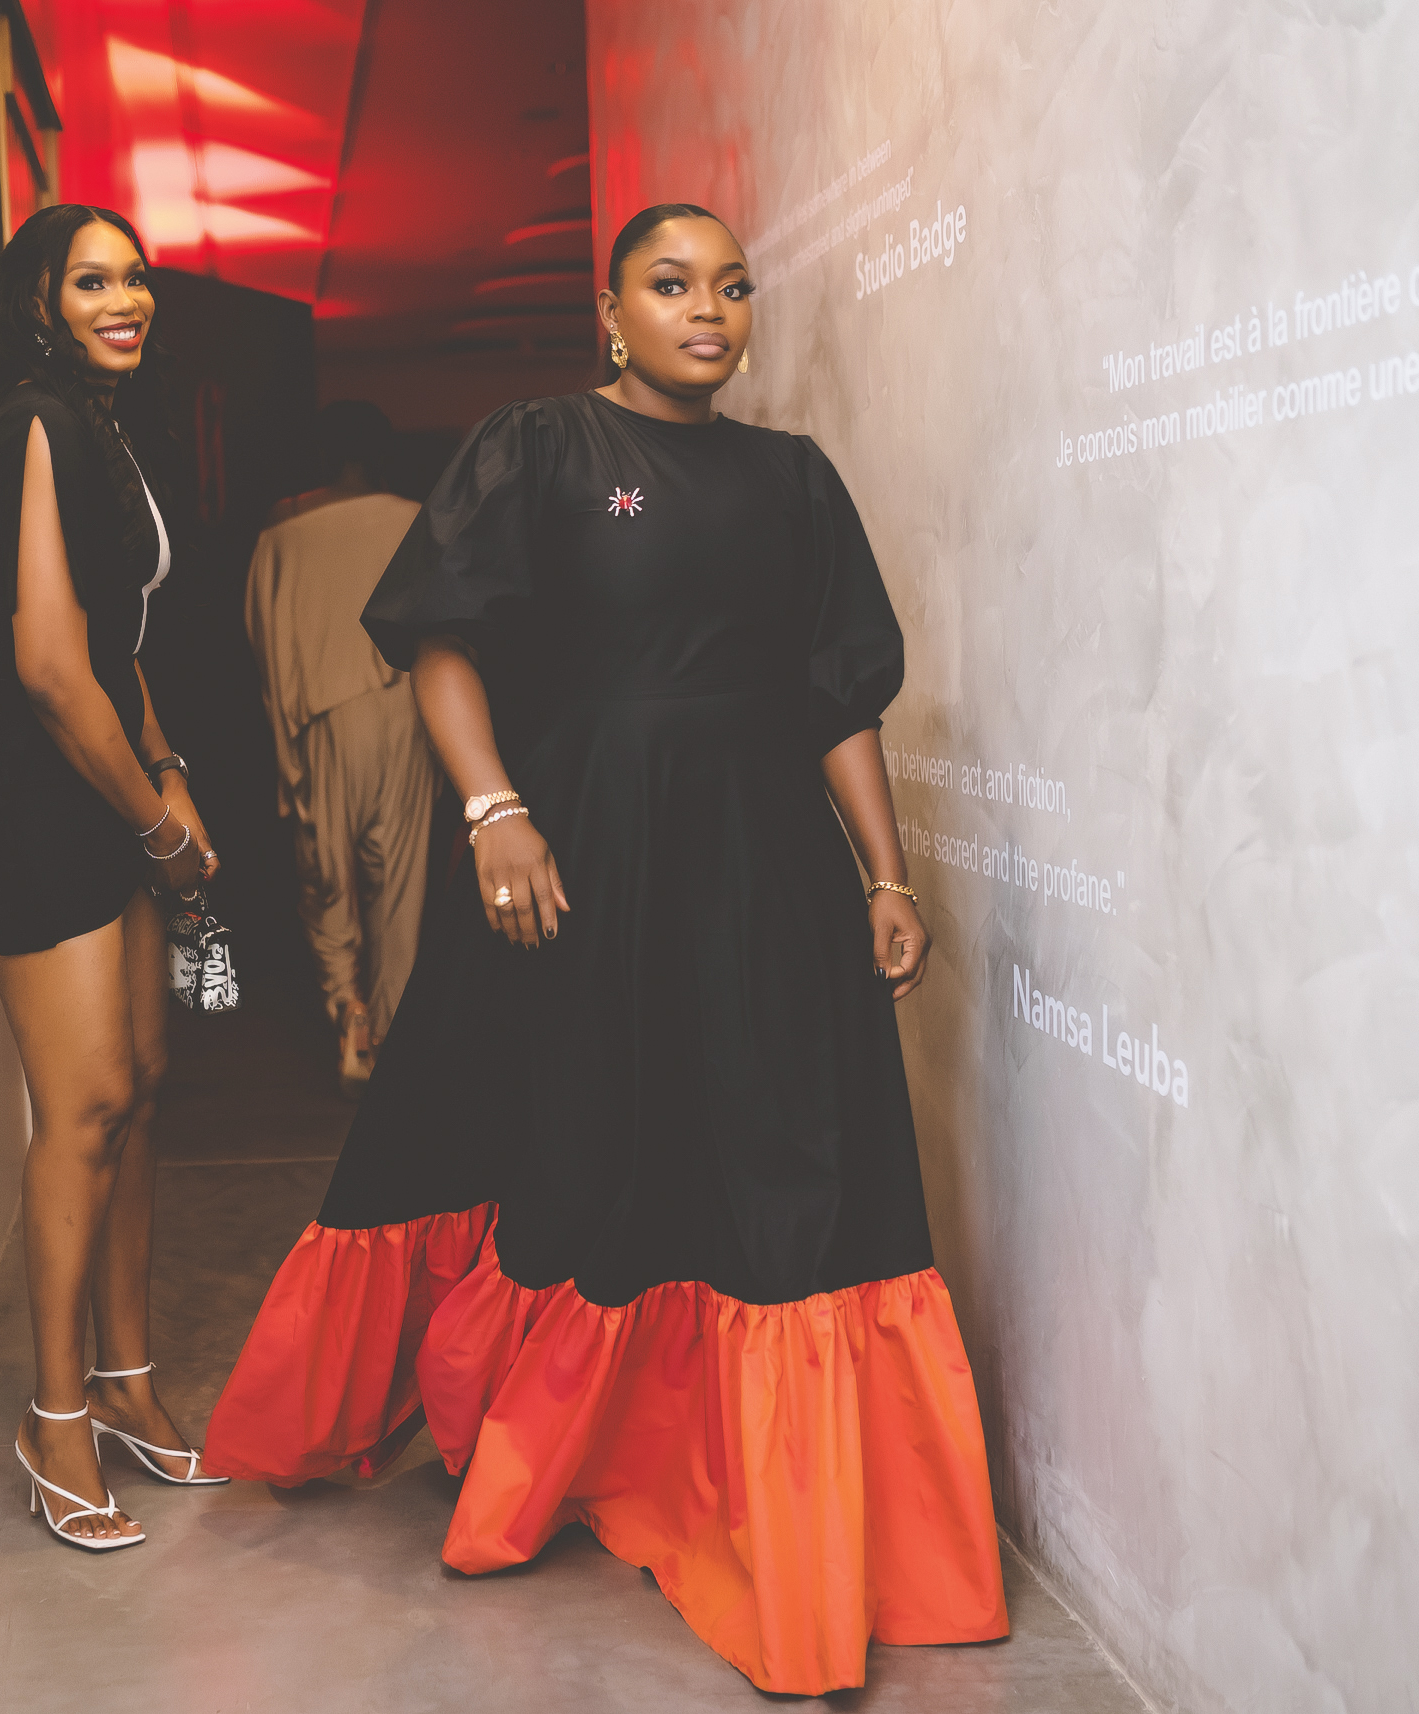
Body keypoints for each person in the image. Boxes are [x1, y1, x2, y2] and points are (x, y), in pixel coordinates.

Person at [203, 205, 1008, 1691]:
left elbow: (835, 698)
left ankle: (786, 1518)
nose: (708, 310)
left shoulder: (793, 478)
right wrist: (493, 808)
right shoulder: (543, 446)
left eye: (731, 287)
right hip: (591, 850)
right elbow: (440, 639)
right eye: (671, 284)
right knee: (595, 1144)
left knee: (776, 1154)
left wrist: (885, 875)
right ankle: (566, 1446)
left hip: (764, 867)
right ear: (611, 310)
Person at [0, 204, 230, 1555]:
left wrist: (169, 770)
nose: (127, 298)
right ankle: (52, 1421)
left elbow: (115, 645)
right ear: (37, 301)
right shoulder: (35, 419)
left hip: (102, 775)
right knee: (88, 1099)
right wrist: (157, 829)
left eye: (137, 277)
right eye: (92, 279)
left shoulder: (101, 425)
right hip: (20, 793)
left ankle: (125, 1383)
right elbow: (48, 667)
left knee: (141, 1090)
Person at [244, 402, 439, 1095]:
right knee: (401, 880)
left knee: (326, 872)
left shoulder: (281, 536)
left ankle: (347, 1008)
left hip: (322, 716)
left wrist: (286, 746)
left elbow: (267, 650)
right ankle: (393, 1029)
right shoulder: (420, 520)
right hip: (408, 709)